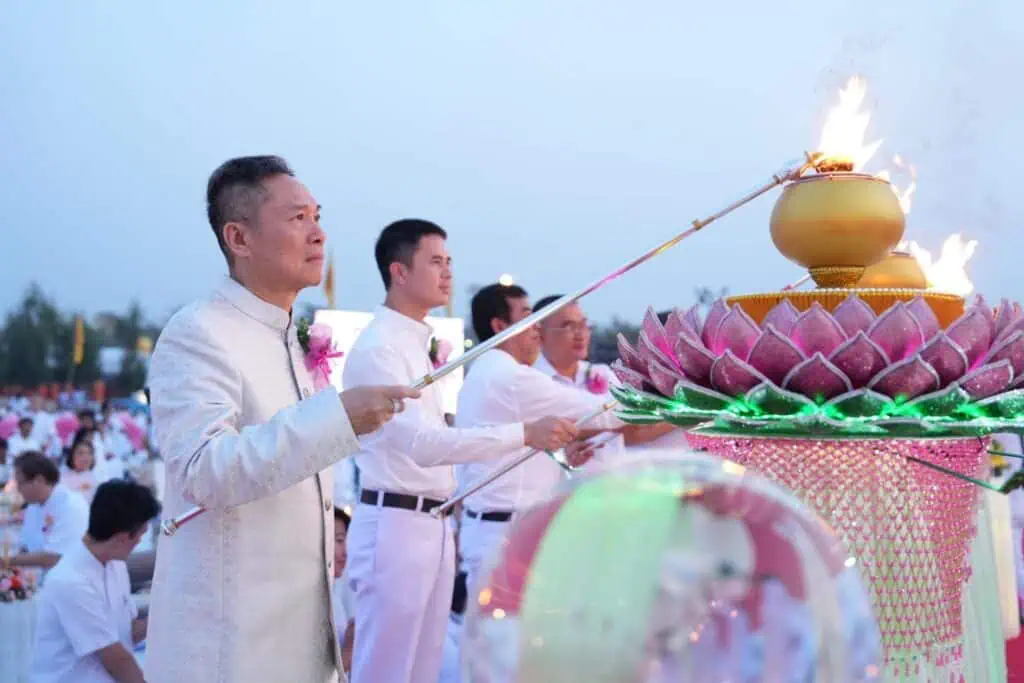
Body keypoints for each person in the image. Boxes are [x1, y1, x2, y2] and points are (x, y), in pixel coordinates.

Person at [143, 156, 420, 683]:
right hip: (233, 648)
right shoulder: (199, 332)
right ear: (239, 238)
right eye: (297, 219)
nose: (318, 234)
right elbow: (204, 470)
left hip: (301, 640)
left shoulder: (289, 339)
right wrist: (339, 417)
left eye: (318, 216)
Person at [342, 219, 579, 683]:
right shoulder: (380, 349)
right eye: (435, 261)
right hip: (395, 523)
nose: (447, 272)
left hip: (432, 521)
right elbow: (423, 447)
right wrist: (524, 432)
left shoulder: (414, 343)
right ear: (399, 272)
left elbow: (434, 433)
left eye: (449, 262)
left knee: (424, 668)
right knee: (387, 670)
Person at [455, 284, 626, 595]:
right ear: (500, 326)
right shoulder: (511, 378)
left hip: (498, 528)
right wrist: (667, 396)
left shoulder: (487, 371)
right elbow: (602, 413)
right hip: (505, 533)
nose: (535, 329)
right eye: (528, 318)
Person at [30, 480, 161, 683]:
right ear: (122, 537)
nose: (139, 543)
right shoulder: (70, 580)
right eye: (140, 535)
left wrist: (167, 612)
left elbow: (126, 632)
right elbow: (116, 659)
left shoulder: (114, 565)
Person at [533, 296, 685, 451]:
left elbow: (634, 424)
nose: (580, 334)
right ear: (538, 333)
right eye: (568, 326)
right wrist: (690, 413)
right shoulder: (533, 381)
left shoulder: (602, 373)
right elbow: (632, 431)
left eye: (584, 325)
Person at [6, 451, 89, 571]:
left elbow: (53, 557)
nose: (18, 489)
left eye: (21, 484)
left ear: (39, 480)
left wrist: (7, 560)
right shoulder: (34, 505)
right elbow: (26, 547)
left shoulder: (71, 505)